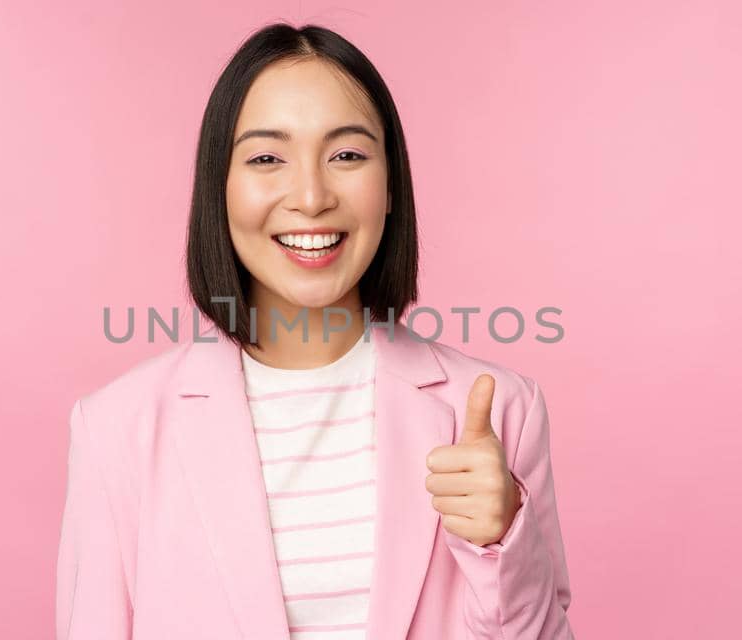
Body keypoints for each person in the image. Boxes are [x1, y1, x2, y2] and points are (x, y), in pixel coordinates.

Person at [56, 22, 575, 639]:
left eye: (347, 155)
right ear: (219, 189)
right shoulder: (117, 429)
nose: (310, 196)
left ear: (390, 189)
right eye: (267, 158)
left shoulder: (499, 412)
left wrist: (503, 539)